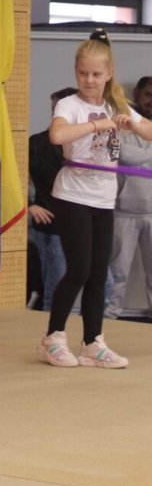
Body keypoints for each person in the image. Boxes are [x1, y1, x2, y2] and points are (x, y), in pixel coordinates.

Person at [38, 30, 152, 369]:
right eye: (83, 73)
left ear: (109, 73)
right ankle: (54, 337)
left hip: (104, 199)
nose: (89, 79)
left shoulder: (116, 106)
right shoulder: (68, 105)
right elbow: (57, 135)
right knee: (79, 269)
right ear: (76, 72)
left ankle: (92, 342)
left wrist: (131, 126)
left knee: (99, 274)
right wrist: (96, 126)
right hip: (72, 196)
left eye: (96, 74)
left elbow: (149, 129)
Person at [104, 76, 152, 318]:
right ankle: (109, 320)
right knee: (118, 273)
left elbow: (137, 156)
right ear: (137, 93)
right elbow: (125, 156)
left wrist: (143, 153)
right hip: (124, 211)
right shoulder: (123, 121)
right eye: (149, 95)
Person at [28, 87, 77, 311]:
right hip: (51, 224)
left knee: (105, 280)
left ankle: (93, 328)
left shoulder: (82, 143)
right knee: (54, 286)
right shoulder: (36, 143)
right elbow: (14, 180)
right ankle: (52, 331)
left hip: (81, 220)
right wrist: (30, 206)